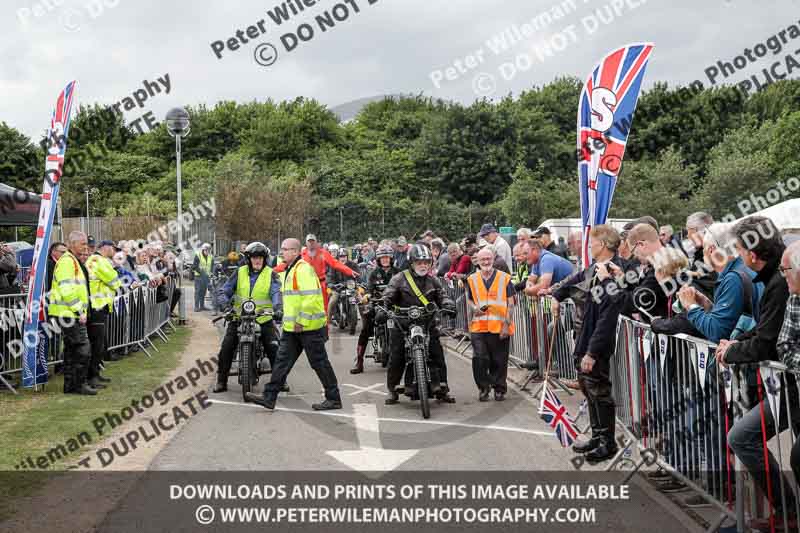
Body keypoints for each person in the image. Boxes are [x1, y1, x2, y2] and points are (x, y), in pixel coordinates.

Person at [721, 217, 799, 526]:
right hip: (783, 384)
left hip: (787, 386)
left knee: (742, 436)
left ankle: (788, 511)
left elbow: (769, 343)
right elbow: (765, 330)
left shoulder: (783, 282)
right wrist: (734, 344)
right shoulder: (776, 279)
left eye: (739, 249)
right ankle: (788, 512)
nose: (737, 256)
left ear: (753, 253)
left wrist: (732, 351)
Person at [551, 225, 624, 463]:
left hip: (598, 340)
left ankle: (607, 442)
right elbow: (572, 282)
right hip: (585, 334)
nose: (589, 247)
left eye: (592, 243)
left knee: (599, 389)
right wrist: (556, 296)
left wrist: (592, 351)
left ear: (603, 244)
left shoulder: (616, 271)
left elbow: (608, 316)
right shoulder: (593, 268)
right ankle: (597, 435)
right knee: (588, 387)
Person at [253, 238, 342, 411]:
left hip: (308, 327)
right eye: (282, 249)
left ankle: (334, 398)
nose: (282, 252)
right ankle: (269, 397)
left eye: (285, 249)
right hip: (292, 329)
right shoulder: (290, 269)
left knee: (319, 363)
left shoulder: (303, 270)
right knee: (281, 362)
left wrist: (301, 320)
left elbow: (310, 297)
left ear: (295, 252)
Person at [378, 244, 456, 404]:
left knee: (437, 353)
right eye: (419, 262)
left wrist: (448, 304)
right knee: (396, 355)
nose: (423, 265)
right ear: (411, 263)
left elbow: (442, 295)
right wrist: (382, 308)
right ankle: (392, 390)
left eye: (426, 262)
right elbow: (388, 294)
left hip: (427, 321)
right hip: (402, 322)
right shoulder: (399, 278)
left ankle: (443, 389)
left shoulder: (433, 280)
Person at [213, 242, 283, 393]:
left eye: (261, 258)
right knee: (226, 347)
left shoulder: (271, 274)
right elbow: (224, 291)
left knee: (274, 347)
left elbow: (276, 292)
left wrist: (278, 308)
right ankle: (221, 380)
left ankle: (280, 381)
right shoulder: (239, 272)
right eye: (254, 258)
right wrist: (225, 305)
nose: (257, 261)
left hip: (263, 318)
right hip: (238, 318)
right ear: (249, 259)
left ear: (265, 259)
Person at [677, 223, 762, 343]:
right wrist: (708, 306)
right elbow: (734, 317)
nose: (703, 253)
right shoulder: (742, 268)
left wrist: (691, 306)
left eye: (704, 248)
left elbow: (717, 332)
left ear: (711, 249)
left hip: (745, 355)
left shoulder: (734, 278)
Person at [274, 234, 358, 329]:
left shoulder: (323, 253)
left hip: (321, 284)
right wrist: (273, 271)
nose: (311, 244)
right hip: (306, 285)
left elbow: (335, 263)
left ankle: (325, 327)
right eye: (309, 242)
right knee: (305, 305)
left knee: (323, 308)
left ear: (316, 242)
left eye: (313, 241)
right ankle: (305, 325)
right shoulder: (302, 254)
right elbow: (286, 264)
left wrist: (350, 271)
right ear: (306, 243)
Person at [466, 247, 516, 402]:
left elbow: (511, 303)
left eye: (488, 259)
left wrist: (507, 325)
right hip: (479, 326)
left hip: (499, 325)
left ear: (493, 259)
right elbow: (469, 299)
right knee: (479, 358)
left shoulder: (504, 278)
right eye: (483, 260)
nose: (486, 262)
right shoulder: (471, 279)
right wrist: (474, 308)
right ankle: (483, 387)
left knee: (499, 360)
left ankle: (499, 388)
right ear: (478, 262)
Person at [49, 231, 95, 395]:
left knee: (71, 349)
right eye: (82, 244)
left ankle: (70, 385)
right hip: (69, 312)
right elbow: (66, 288)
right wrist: (78, 310)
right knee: (83, 347)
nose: (85, 247)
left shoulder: (70, 260)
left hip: (67, 311)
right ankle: (78, 384)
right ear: (72, 244)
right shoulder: (68, 261)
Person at [352, 244, 398, 374]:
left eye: (387, 257)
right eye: (382, 258)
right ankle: (359, 361)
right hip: (378, 304)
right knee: (366, 328)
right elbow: (369, 289)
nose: (385, 260)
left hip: (395, 305)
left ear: (391, 258)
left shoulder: (398, 272)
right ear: (378, 259)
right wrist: (366, 295)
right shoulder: (374, 273)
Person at [85, 240, 122, 388]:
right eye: (114, 249)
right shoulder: (97, 260)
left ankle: (95, 374)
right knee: (96, 344)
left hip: (99, 306)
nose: (115, 252)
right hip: (97, 306)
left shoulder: (98, 260)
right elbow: (114, 281)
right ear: (106, 248)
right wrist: (114, 274)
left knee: (99, 344)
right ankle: (91, 377)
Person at [326, 247, 361, 323]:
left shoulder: (353, 265)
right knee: (333, 300)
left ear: (347, 257)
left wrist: (358, 283)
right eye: (341, 256)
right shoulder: (334, 265)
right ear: (338, 257)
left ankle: (365, 321)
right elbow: (330, 276)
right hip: (337, 288)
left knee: (362, 301)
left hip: (351, 288)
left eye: (344, 256)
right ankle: (327, 321)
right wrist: (330, 284)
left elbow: (358, 276)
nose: (342, 258)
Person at [193, 243, 214, 312]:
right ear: (203, 250)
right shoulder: (198, 255)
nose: (208, 251)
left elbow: (211, 267)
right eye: (206, 250)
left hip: (206, 277)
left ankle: (202, 306)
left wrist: (211, 273)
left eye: (209, 250)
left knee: (203, 292)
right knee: (198, 291)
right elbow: (195, 266)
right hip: (198, 276)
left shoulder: (211, 257)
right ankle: (196, 307)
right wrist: (201, 273)